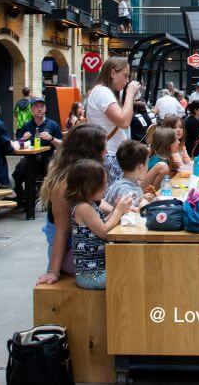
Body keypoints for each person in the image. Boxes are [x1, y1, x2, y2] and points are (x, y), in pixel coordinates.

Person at [36, 124, 107, 283]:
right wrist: (53, 271)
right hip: (73, 255)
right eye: (103, 147)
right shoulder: (64, 185)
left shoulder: (82, 177)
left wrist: (123, 208)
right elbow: (61, 232)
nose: (106, 152)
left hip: (85, 249)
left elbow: (99, 204)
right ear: (91, 151)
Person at [69, 160, 133, 289]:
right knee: (130, 276)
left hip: (98, 270)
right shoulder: (83, 207)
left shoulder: (91, 204)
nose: (106, 186)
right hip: (91, 275)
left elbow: (102, 224)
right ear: (90, 186)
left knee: (132, 270)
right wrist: (119, 210)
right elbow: (104, 232)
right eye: (103, 184)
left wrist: (117, 209)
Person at [84, 56, 140, 184]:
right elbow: (124, 122)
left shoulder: (104, 91)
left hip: (110, 155)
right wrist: (130, 94)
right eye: (125, 76)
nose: (126, 81)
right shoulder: (103, 92)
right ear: (113, 73)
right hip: (109, 156)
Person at [104, 140, 154, 208]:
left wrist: (140, 199)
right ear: (141, 167)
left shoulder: (121, 183)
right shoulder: (125, 189)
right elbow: (128, 214)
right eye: (147, 164)